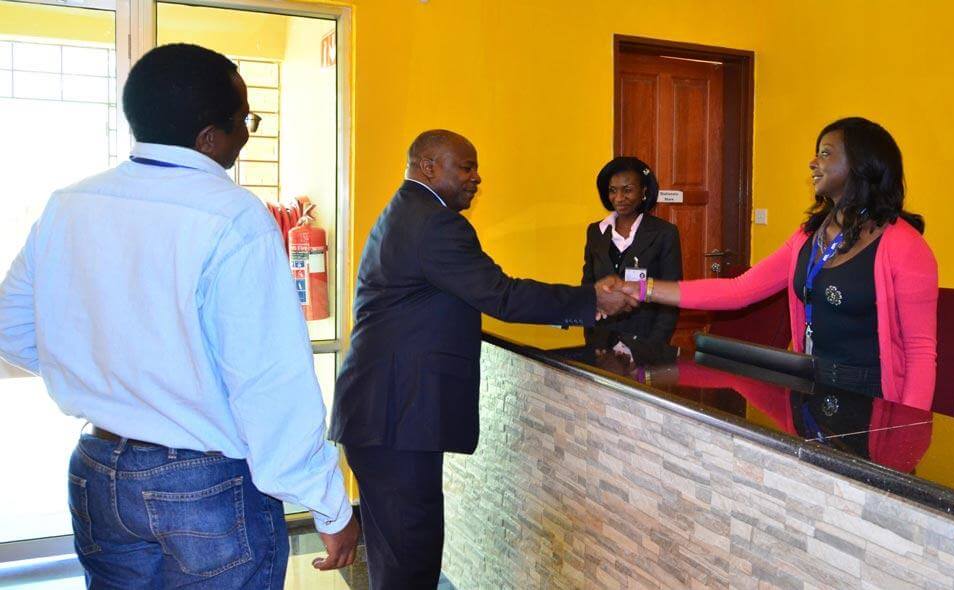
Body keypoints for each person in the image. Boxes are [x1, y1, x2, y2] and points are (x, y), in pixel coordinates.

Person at [0, 44, 359, 588]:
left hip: (98, 469)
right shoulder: (234, 217)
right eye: (245, 121)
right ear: (209, 137)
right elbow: (270, 384)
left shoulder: (68, 204)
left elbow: (11, 328)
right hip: (203, 484)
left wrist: (103, 379)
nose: (246, 135)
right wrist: (330, 507)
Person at [330, 129, 635, 589]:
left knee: (400, 561)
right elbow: (502, 296)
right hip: (395, 420)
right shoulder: (435, 223)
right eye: (466, 167)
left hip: (384, 417)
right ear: (428, 167)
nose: (476, 178)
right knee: (410, 565)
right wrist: (591, 299)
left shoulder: (408, 211)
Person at [622, 117, 938, 410]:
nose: (813, 162)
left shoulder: (904, 246)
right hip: (811, 388)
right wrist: (641, 289)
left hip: (871, 400)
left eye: (825, 153)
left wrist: (908, 430)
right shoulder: (809, 237)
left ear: (861, 163)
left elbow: (920, 352)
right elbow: (738, 290)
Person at [582, 156, 682, 344]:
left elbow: (671, 297)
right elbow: (588, 288)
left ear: (643, 191)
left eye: (627, 190)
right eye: (613, 190)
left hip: (645, 340)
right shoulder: (595, 232)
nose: (619, 198)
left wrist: (654, 345)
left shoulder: (664, 233)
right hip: (601, 340)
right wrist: (591, 337)